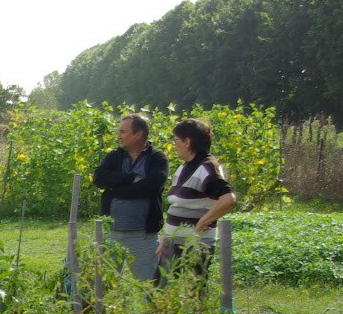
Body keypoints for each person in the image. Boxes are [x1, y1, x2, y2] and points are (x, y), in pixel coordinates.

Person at [156, 118, 236, 280]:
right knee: (160, 294)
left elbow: (228, 199)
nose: (173, 144)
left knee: (192, 294)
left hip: (194, 246)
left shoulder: (208, 168)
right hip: (174, 243)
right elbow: (177, 207)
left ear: (187, 141)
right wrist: (166, 240)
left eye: (176, 139)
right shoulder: (184, 167)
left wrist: (202, 222)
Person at [92, 114, 167, 281]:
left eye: (123, 132)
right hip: (112, 235)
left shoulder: (157, 158)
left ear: (138, 134)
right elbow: (98, 178)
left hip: (143, 237)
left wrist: (115, 188)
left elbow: (153, 186)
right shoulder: (114, 156)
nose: (118, 136)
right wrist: (130, 178)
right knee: (105, 284)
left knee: (149, 287)